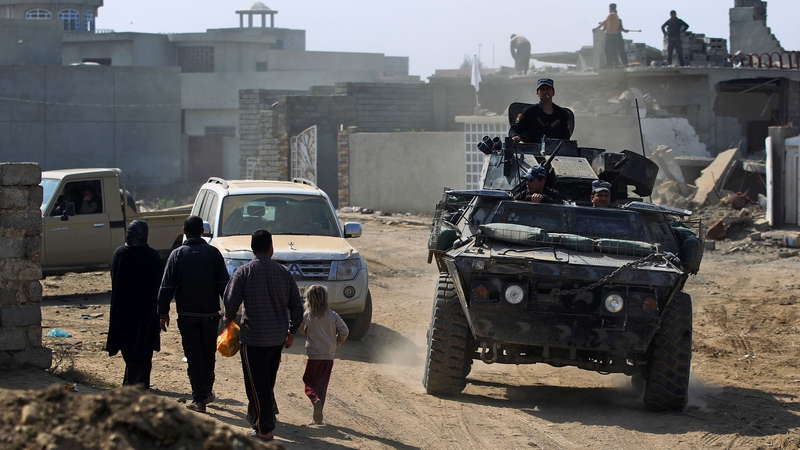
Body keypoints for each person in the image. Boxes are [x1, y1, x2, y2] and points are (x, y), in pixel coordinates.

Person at [223, 229, 303, 441]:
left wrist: (227, 321)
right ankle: (260, 421)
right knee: (267, 382)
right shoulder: (284, 273)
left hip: (253, 338)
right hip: (277, 338)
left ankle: (265, 429)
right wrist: (293, 332)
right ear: (271, 247)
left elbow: (230, 302)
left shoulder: (243, 272)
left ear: (252, 248)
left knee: (255, 385)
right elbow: (297, 305)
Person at [158, 215, 230, 413]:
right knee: (208, 355)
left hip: (187, 315)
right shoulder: (214, 254)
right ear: (202, 232)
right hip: (210, 315)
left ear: (184, 231)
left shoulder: (177, 255)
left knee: (193, 356)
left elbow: (166, 287)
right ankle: (206, 391)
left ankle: (200, 398)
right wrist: (229, 313)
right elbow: (225, 286)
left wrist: (163, 313)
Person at [106, 220, 164, 388]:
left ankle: (133, 375)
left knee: (127, 344)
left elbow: (114, 279)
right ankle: (141, 381)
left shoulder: (120, 254)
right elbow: (159, 283)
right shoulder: (153, 256)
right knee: (145, 346)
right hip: (147, 309)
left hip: (123, 308)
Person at [299, 285, 348, 425]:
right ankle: (317, 417)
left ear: (308, 299)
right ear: (326, 299)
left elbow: (302, 330)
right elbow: (344, 331)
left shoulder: (307, 316)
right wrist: (335, 343)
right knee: (322, 385)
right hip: (329, 356)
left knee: (309, 382)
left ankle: (316, 401)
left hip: (314, 356)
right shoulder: (333, 316)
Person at [509, 78, 572, 143]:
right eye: (542, 89)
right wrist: (515, 136)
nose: (545, 92)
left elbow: (566, 138)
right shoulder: (529, 112)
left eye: (548, 89)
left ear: (553, 93)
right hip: (533, 151)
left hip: (557, 151)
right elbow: (514, 129)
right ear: (537, 93)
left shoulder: (562, 114)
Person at [593, 3, 629, 68]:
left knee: (607, 50)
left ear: (611, 8)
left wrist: (596, 29)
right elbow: (616, 26)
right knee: (614, 50)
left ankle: (610, 64)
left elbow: (605, 22)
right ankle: (616, 64)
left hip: (610, 35)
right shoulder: (617, 17)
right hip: (615, 35)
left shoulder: (611, 15)